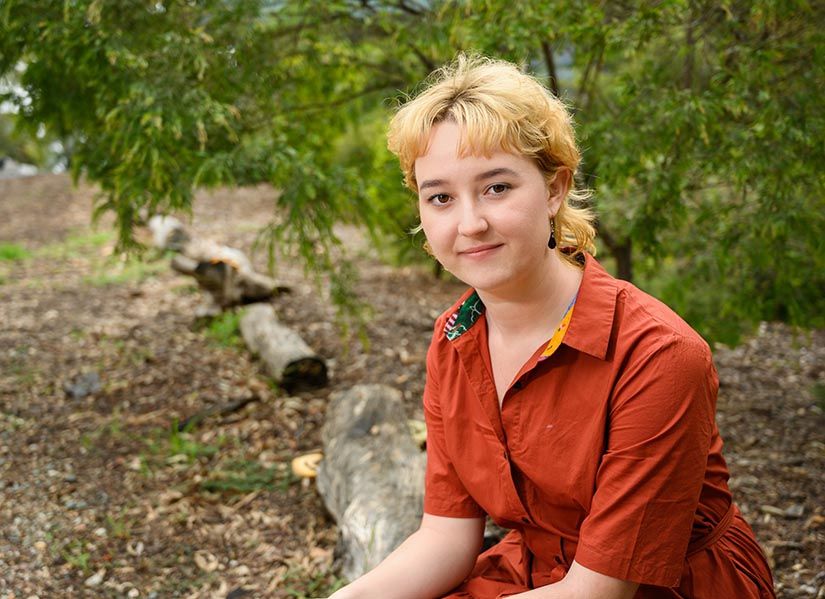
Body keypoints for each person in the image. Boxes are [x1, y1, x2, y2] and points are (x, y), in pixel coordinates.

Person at [328, 55, 775, 599]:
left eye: (497, 187)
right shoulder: (454, 338)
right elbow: (445, 538)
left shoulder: (659, 355)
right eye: (441, 197)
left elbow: (598, 591)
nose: (470, 224)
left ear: (555, 188)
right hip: (536, 578)